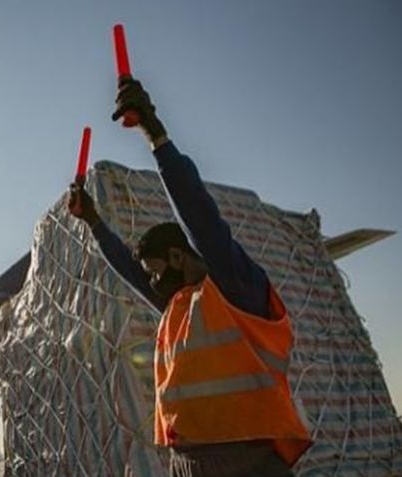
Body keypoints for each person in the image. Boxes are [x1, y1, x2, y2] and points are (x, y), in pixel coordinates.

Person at [67, 77, 312, 477]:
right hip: (186, 463)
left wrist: (154, 132)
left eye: (155, 272)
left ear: (179, 255)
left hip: (244, 463)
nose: (151, 282)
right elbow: (130, 270)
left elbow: (200, 216)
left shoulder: (235, 289)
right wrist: (92, 219)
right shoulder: (180, 306)